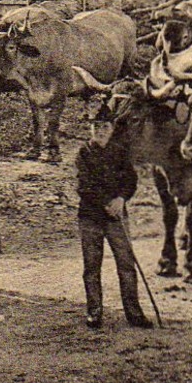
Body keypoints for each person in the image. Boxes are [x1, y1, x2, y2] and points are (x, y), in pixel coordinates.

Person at [74, 134, 151, 330]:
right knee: (91, 268)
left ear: (111, 129)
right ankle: (94, 312)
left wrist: (121, 199)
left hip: (116, 218)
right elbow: (84, 186)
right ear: (91, 128)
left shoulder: (120, 151)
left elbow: (131, 180)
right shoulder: (84, 153)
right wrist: (105, 202)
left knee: (126, 265)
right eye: (96, 126)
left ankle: (134, 313)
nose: (101, 131)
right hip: (90, 218)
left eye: (106, 126)